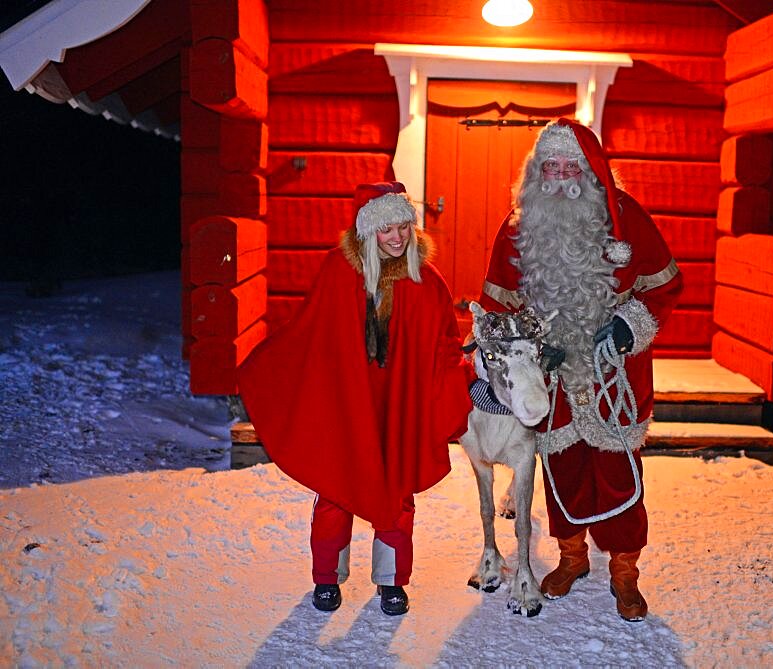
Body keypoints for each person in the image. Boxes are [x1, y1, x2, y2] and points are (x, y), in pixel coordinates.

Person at [479, 119, 683, 621]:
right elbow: (497, 306)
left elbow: (665, 287)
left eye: (574, 165)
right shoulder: (515, 228)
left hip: (615, 376)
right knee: (562, 469)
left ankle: (624, 568)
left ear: (592, 170)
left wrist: (627, 327)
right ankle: (572, 557)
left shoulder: (628, 218)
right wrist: (504, 363)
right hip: (551, 377)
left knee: (618, 472)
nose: (563, 175)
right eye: (553, 165)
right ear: (537, 171)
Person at [238, 182, 471, 616]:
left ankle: (391, 580)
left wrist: (460, 379)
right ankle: (326, 576)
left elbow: (445, 343)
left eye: (403, 227)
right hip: (347, 401)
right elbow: (311, 331)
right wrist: (267, 368)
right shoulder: (338, 271)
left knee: (397, 488)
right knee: (336, 487)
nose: (398, 238)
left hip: (401, 402)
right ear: (367, 232)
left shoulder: (426, 278)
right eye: (386, 230)